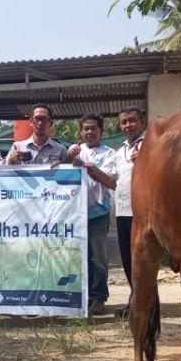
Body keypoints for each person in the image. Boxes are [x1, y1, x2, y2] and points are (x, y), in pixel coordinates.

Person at [66, 113, 119, 316]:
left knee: (99, 258)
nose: (89, 132)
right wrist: (69, 157)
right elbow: (59, 170)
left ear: (101, 131)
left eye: (93, 128)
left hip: (98, 213)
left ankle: (99, 297)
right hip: (75, 214)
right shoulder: (74, 151)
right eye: (86, 128)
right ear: (80, 132)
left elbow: (110, 181)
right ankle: (84, 296)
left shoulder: (108, 154)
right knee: (81, 257)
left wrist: (86, 167)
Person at [113, 107, 146, 300]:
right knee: (127, 260)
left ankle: (148, 305)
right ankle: (136, 300)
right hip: (123, 212)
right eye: (124, 122)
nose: (128, 125)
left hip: (142, 213)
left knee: (143, 260)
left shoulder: (152, 145)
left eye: (132, 121)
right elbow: (113, 182)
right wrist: (90, 170)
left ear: (142, 122)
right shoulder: (119, 152)